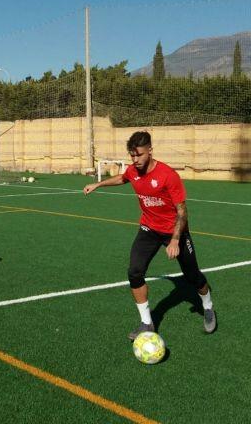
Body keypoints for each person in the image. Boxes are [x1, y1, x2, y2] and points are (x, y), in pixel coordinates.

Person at [83, 131, 216, 339]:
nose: (135, 160)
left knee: (193, 276)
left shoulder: (168, 175)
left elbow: (182, 212)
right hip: (148, 229)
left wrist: (174, 240)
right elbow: (123, 177)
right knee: (134, 272)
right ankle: (147, 323)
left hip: (174, 231)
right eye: (132, 155)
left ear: (150, 151)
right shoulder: (133, 170)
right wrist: (98, 184)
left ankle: (208, 306)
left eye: (140, 155)